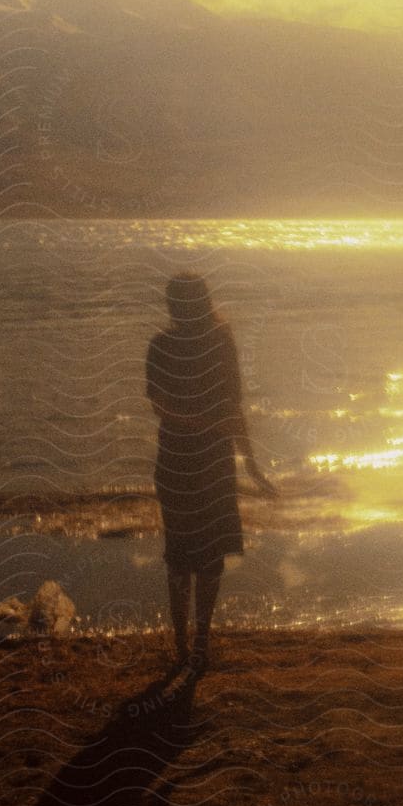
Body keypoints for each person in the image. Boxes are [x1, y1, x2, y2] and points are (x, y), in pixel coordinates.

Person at [145, 271, 277, 673]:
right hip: (207, 460)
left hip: (181, 461)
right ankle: (193, 643)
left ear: (172, 305)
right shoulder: (215, 343)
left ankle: (190, 644)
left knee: (184, 557)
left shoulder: (166, 345)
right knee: (202, 558)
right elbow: (227, 409)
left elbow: (164, 408)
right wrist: (249, 463)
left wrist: (251, 465)